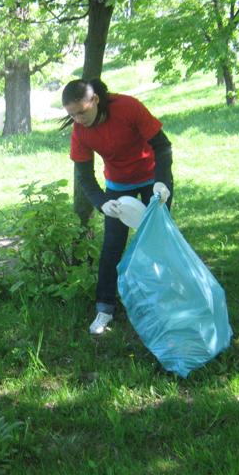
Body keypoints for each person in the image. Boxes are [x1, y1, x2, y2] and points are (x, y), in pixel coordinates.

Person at [62, 79, 173, 335]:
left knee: (157, 241)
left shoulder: (127, 107)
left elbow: (162, 145)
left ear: (95, 100)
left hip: (152, 178)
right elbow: (85, 176)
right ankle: (105, 308)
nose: (78, 119)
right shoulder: (80, 131)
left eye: (82, 111)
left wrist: (162, 182)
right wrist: (102, 203)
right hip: (118, 184)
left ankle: (163, 301)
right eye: (72, 115)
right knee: (112, 245)